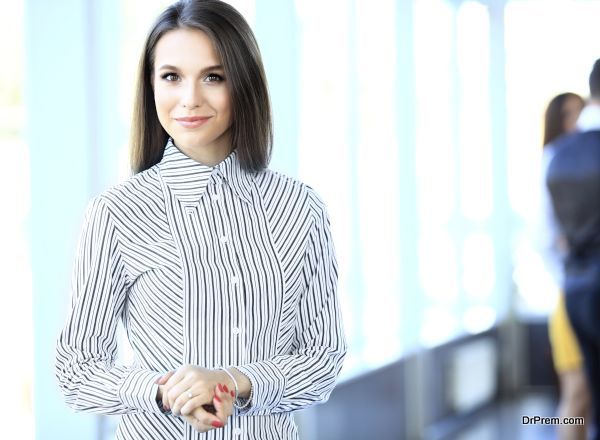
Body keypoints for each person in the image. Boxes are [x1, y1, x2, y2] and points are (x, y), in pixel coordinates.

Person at [54, 1, 347, 439]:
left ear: (243, 84)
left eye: (214, 77)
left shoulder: (300, 207)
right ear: (150, 85)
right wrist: (169, 393)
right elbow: (76, 370)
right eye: (171, 76)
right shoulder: (116, 212)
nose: (190, 98)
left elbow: (323, 361)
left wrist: (233, 382)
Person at [546, 59, 600, 440]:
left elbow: (545, 237)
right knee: (579, 396)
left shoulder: (557, 159)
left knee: (586, 393)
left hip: (576, 289)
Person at [538, 92, 588, 440]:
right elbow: (543, 236)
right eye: (572, 116)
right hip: (571, 291)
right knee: (577, 394)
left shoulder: (581, 160)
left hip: (576, 286)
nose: (579, 123)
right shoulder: (554, 162)